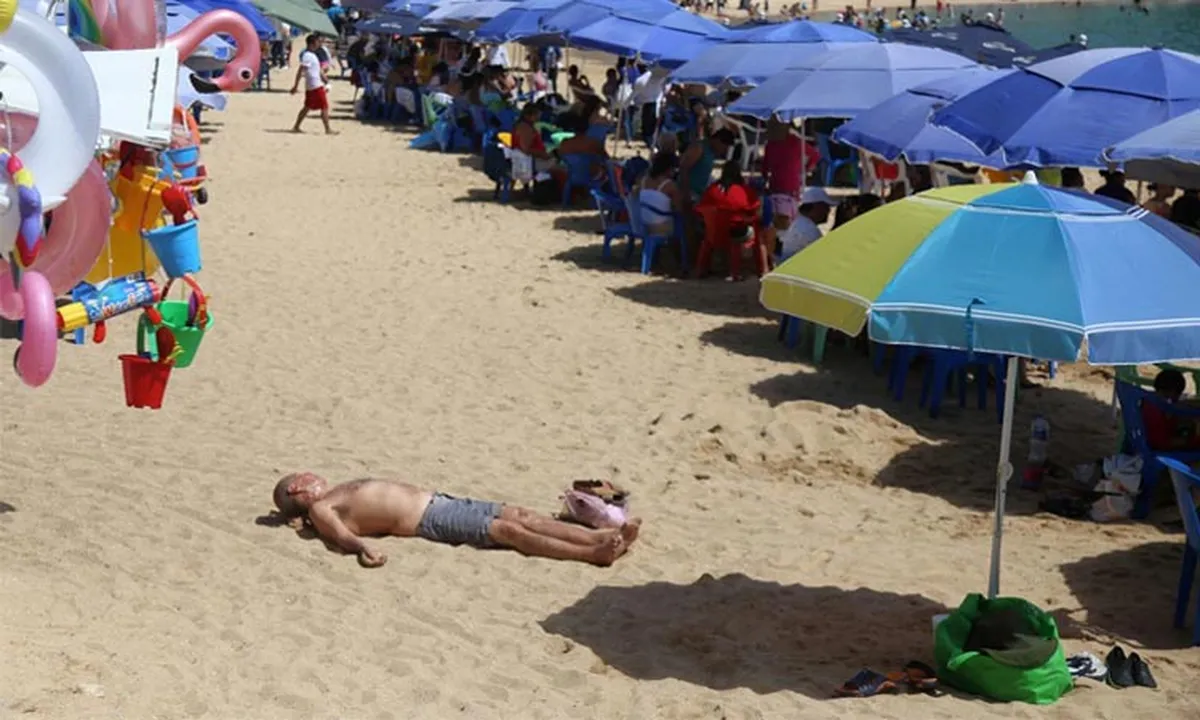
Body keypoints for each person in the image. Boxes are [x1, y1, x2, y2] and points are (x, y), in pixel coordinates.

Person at [272, 473, 640, 568]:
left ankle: (600, 537)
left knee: (520, 515)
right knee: (508, 531)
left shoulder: (334, 494)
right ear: (297, 490)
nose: (311, 475)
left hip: (439, 500)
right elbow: (340, 536)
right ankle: (593, 554)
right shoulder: (321, 509)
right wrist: (362, 548)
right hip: (428, 518)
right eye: (303, 478)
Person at [776, 186, 838, 261]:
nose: (828, 210)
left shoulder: (799, 222)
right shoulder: (809, 230)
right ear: (816, 206)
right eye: (826, 206)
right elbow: (824, 258)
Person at [291, 34, 335, 134]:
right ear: (311, 44)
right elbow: (301, 70)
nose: (319, 44)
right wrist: (295, 85)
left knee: (307, 107)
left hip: (313, 85)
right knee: (324, 106)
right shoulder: (307, 56)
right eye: (317, 42)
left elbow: (319, 70)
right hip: (315, 85)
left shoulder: (313, 55)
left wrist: (326, 81)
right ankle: (328, 129)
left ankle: (296, 126)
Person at [679, 128, 736, 202]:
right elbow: (684, 168)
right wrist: (686, 194)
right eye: (724, 147)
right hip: (689, 193)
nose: (724, 151)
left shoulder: (711, 153)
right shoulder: (699, 148)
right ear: (718, 141)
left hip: (698, 194)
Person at [638, 150, 683, 238]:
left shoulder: (643, 180)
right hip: (661, 227)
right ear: (669, 168)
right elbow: (678, 208)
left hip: (644, 224)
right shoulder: (669, 185)